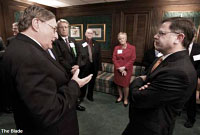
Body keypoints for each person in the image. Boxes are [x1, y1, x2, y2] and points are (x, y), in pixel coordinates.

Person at [3, 5, 92, 135]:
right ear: (36, 24)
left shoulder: (21, 47)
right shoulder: (28, 56)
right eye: (54, 29)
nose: (56, 35)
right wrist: (75, 84)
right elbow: (49, 111)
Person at [122, 17, 197, 135]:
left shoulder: (179, 72)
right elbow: (148, 78)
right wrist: (144, 80)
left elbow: (138, 98)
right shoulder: (163, 58)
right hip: (140, 122)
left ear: (179, 38)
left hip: (150, 128)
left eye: (161, 33)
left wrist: (137, 79)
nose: (155, 36)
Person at [53, 19, 86, 111]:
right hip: (65, 71)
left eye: (66, 27)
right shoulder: (55, 42)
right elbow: (59, 58)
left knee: (76, 88)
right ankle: (68, 106)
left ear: (68, 28)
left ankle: (76, 104)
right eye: (61, 27)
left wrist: (78, 65)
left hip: (76, 69)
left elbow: (79, 53)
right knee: (67, 89)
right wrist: (71, 68)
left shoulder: (72, 40)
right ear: (58, 29)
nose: (64, 29)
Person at [112, 32, 136, 107]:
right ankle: (120, 96)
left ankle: (125, 99)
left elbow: (133, 59)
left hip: (127, 70)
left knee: (125, 85)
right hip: (118, 69)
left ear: (126, 38)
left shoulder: (132, 48)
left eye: (123, 38)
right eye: (119, 38)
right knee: (118, 84)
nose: (121, 40)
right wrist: (119, 68)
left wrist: (124, 67)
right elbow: (114, 59)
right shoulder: (116, 48)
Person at [78, 28, 102, 102]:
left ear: (93, 34)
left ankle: (90, 96)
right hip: (84, 67)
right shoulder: (80, 43)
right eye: (88, 33)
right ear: (85, 34)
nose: (89, 34)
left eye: (91, 33)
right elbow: (78, 56)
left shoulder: (97, 43)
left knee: (92, 82)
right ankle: (81, 96)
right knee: (84, 82)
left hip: (93, 66)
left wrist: (99, 68)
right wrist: (79, 66)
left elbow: (99, 57)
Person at [184, 33, 200, 128]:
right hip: (180, 76)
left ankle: (191, 119)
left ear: (194, 37)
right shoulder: (181, 46)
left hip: (192, 77)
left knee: (191, 99)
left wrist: (195, 74)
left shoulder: (198, 48)